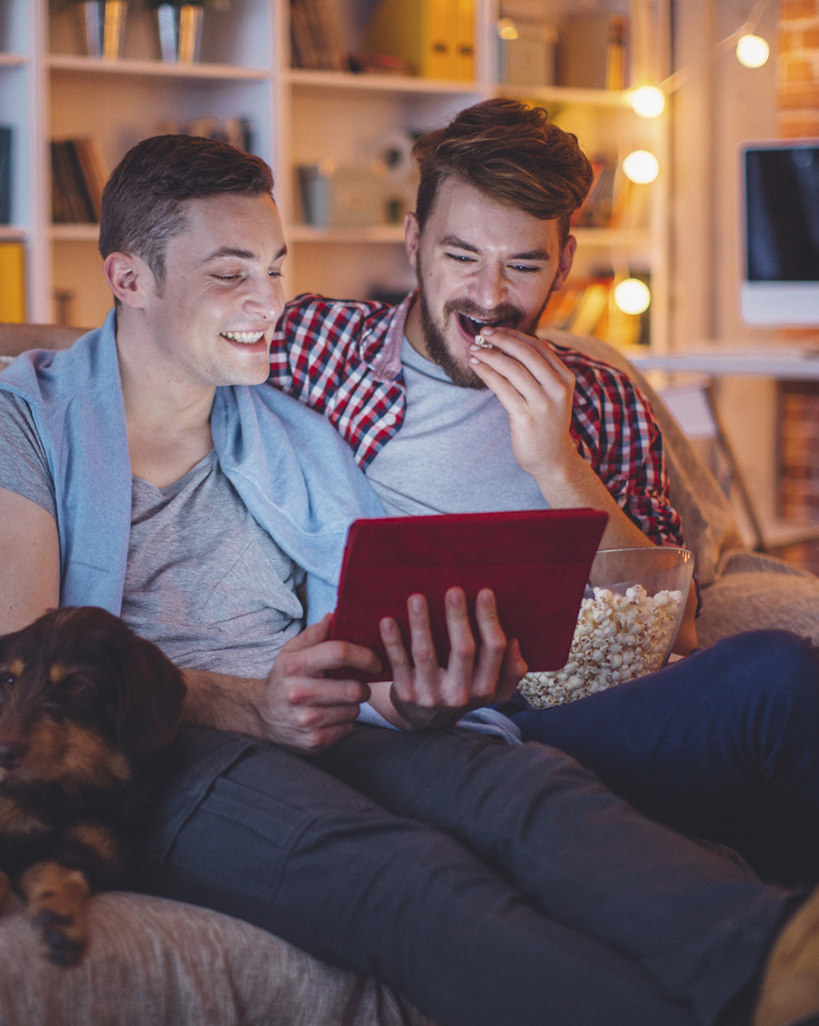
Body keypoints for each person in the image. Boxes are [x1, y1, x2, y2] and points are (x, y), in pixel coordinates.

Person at [0, 133, 819, 1026]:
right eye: (231, 275)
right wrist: (257, 708)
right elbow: (27, 686)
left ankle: (773, 960)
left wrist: (415, 690)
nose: (269, 301)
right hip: (163, 751)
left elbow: (359, 612)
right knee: (406, 876)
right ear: (128, 278)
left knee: (527, 791)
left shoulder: (285, 428)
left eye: (278, 269)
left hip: (331, 724)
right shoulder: (12, 428)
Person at [267, 98, 819, 889]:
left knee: (777, 677)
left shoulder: (600, 397)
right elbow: (155, 350)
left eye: (523, 266)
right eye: (461, 256)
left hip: (568, 726)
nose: (489, 296)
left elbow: (678, 629)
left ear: (563, 264)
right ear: (414, 241)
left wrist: (557, 462)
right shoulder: (319, 346)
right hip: (405, 736)